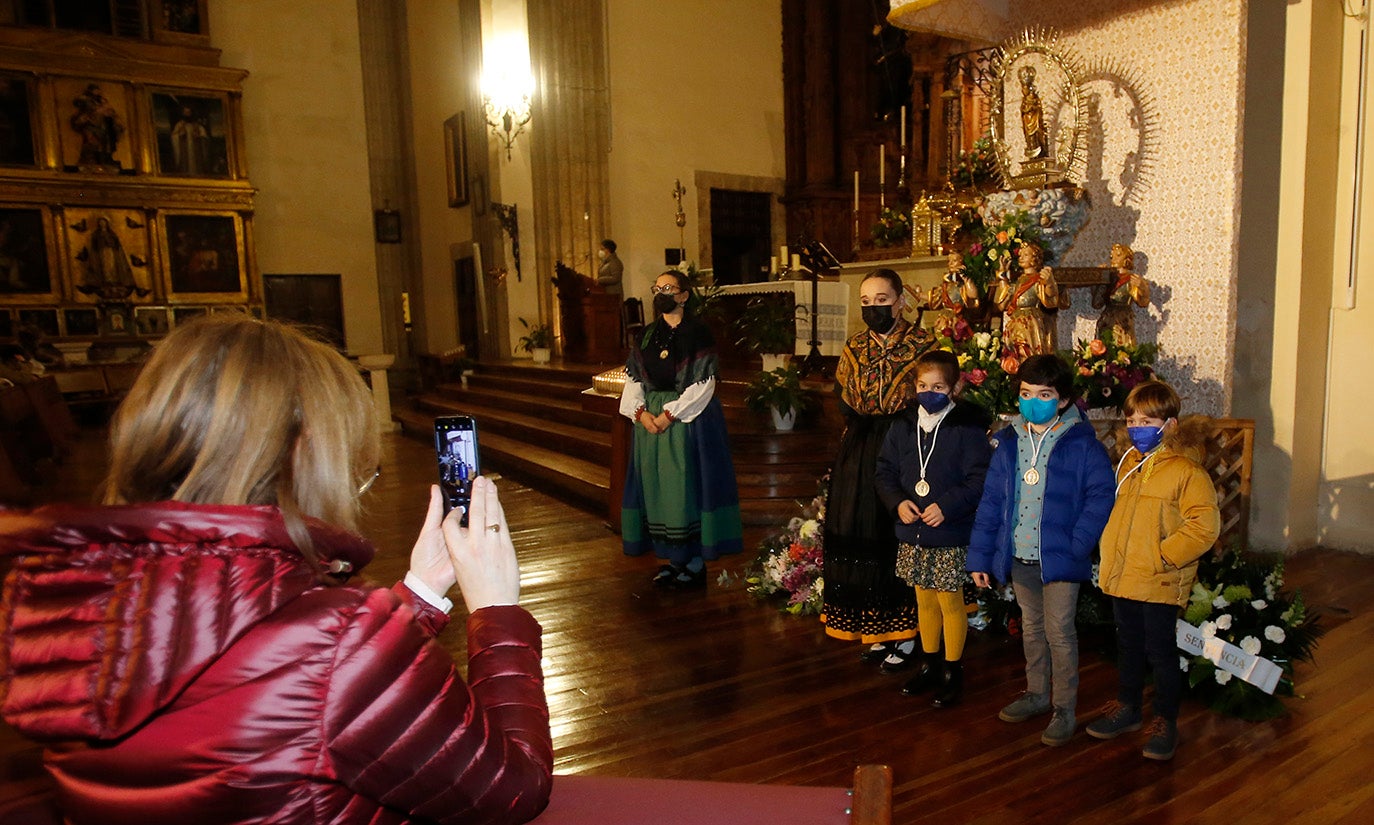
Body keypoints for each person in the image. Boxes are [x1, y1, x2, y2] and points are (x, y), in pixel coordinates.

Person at [0, 315, 553, 824]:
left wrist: (420, 592)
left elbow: (251, 670)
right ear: (304, 453)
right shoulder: (339, 644)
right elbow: (513, 789)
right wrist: (497, 612)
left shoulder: (57, 601)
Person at [967, 353, 1115, 746]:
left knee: (1060, 632)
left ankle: (1064, 707)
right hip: (1020, 555)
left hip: (1060, 558)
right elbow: (990, 504)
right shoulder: (1009, 443)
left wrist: (1078, 544)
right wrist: (981, 556)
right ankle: (1036, 693)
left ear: (1063, 400)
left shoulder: (1083, 445)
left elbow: (1101, 497)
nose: (1034, 401)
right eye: (1026, 393)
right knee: (1031, 628)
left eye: (1044, 394)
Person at [1086, 380, 1220, 761]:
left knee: (1161, 653)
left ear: (1171, 424)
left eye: (1147, 420)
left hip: (1159, 578)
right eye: (1131, 420)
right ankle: (1127, 707)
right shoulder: (1129, 463)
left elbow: (1203, 526)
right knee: (1127, 646)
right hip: (1124, 576)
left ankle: (1165, 720)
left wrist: (1163, 556)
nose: (1137, 427)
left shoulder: (1187, 472)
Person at [875, 349, 991, 706]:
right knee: (923, 601)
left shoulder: (967, 427)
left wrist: (947, 506)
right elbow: (884, 472)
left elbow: (978, 479)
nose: (929, 393)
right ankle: (929, 663)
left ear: (954, 387)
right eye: (923, 385)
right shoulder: (902, 425)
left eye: (938, 386)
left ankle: (952, 670)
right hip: (913, 531)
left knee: (950, 603)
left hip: (949, 530)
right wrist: (897, 502)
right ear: (914, 386)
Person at [824, 269, 927, 669]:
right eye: (865, 302)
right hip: (860, 448)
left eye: (881, 300)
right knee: (858, 530)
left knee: (893, 537)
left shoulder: (923, 345)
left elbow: (932, 396)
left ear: (901, 301)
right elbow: (844, 398)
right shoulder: (853, 348)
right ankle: (877, 630)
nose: (873, 309)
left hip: (905, 446)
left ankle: (905, 634)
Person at [619, 270, 742, 587]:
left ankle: (696, 561)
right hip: (651, 421)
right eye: (657, 287)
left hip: (689, 419)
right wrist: (641, 413)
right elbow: (633, 378)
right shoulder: (646, 335)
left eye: (668, 288)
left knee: (687, 486)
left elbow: (704, 383)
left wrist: (668, 415)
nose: (661, 293)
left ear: (684, 295)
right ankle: (673, 560)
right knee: (659, 489)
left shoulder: (699, 333)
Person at [994, 241, 1062, 359]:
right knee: (1015, 354)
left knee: (1029, 353)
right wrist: (1002, 276)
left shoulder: (1037, 279)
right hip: (1015, 322)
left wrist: (1050, 282)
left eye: (1026, 255)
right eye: (1020, 255)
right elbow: (1002, 304)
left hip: (1030, 323)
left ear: (1034, 259)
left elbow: (1050, 296)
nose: (1021, 257)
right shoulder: (1018, 281)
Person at [1095, 243, 1152, 348]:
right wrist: (1099, 279)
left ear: (1127, 259)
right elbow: (1097, 303)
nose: (1113, 259)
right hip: (1107, 319)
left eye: (1118, 255)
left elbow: (1143, 302)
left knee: (1123, 351)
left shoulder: (1132, 279)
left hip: (1123, 320)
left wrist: (1143, 288)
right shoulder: (1108, 278)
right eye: (1112, 256)